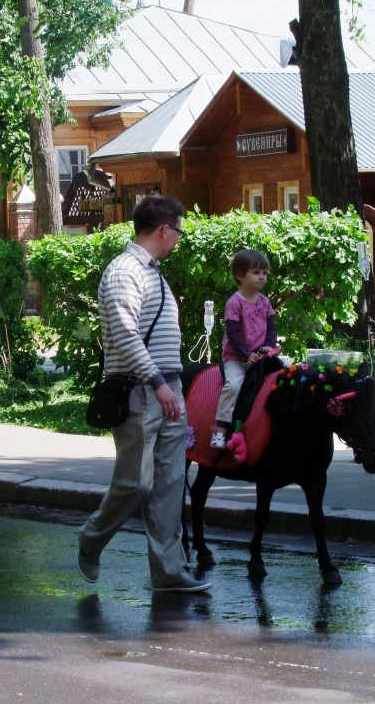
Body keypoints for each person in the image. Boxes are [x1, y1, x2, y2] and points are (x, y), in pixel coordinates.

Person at [78, 194, 211, 593]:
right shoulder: (124, 272)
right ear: (164, 229)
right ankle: (91, 538)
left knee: (170, 484)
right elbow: (124, 333)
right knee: (136, 483)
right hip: (141, 392)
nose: (178, 241)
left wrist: (171, 386)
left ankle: (169, 573)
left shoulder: (153, 272)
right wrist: (156, 383)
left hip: (168, 390)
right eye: (178, 233)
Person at [210, 249, 277, 452]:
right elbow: (232, 333)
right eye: (256, 272)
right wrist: (246, 354)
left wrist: (270, 346)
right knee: (234, 385)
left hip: (260, 355)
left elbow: (272, 327)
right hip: (236, 357)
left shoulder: (265, 302)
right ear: (240, 275)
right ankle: (220, 428)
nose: (262, 277)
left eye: (264, 273)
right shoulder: (235, 302)